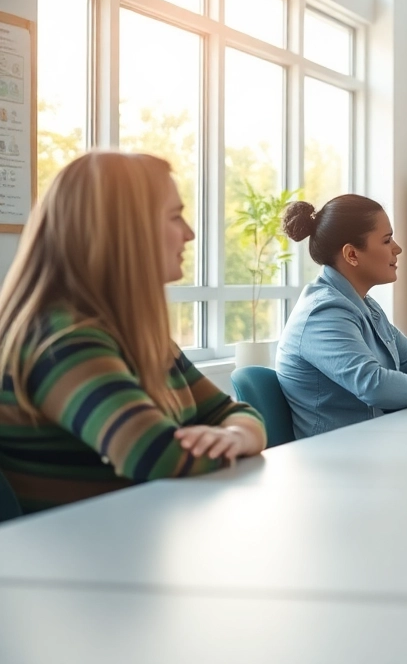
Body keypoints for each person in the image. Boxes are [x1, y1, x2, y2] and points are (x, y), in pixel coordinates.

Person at [0, 152, 267, 513]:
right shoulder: (61, 341)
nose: (189, 233)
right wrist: (235, 439)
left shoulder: (140, 337)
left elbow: (233, 413)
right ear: (124, 231)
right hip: (81, 559)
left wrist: (235, 434)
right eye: (175, 216)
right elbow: (157, 457)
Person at [276, 195, 407, 438]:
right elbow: (373, 385)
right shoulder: (323, 313)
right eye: (386, 240)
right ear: (352, 254)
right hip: (341, 459)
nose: (397, 248)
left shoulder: (365, 305)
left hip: (378, 442)